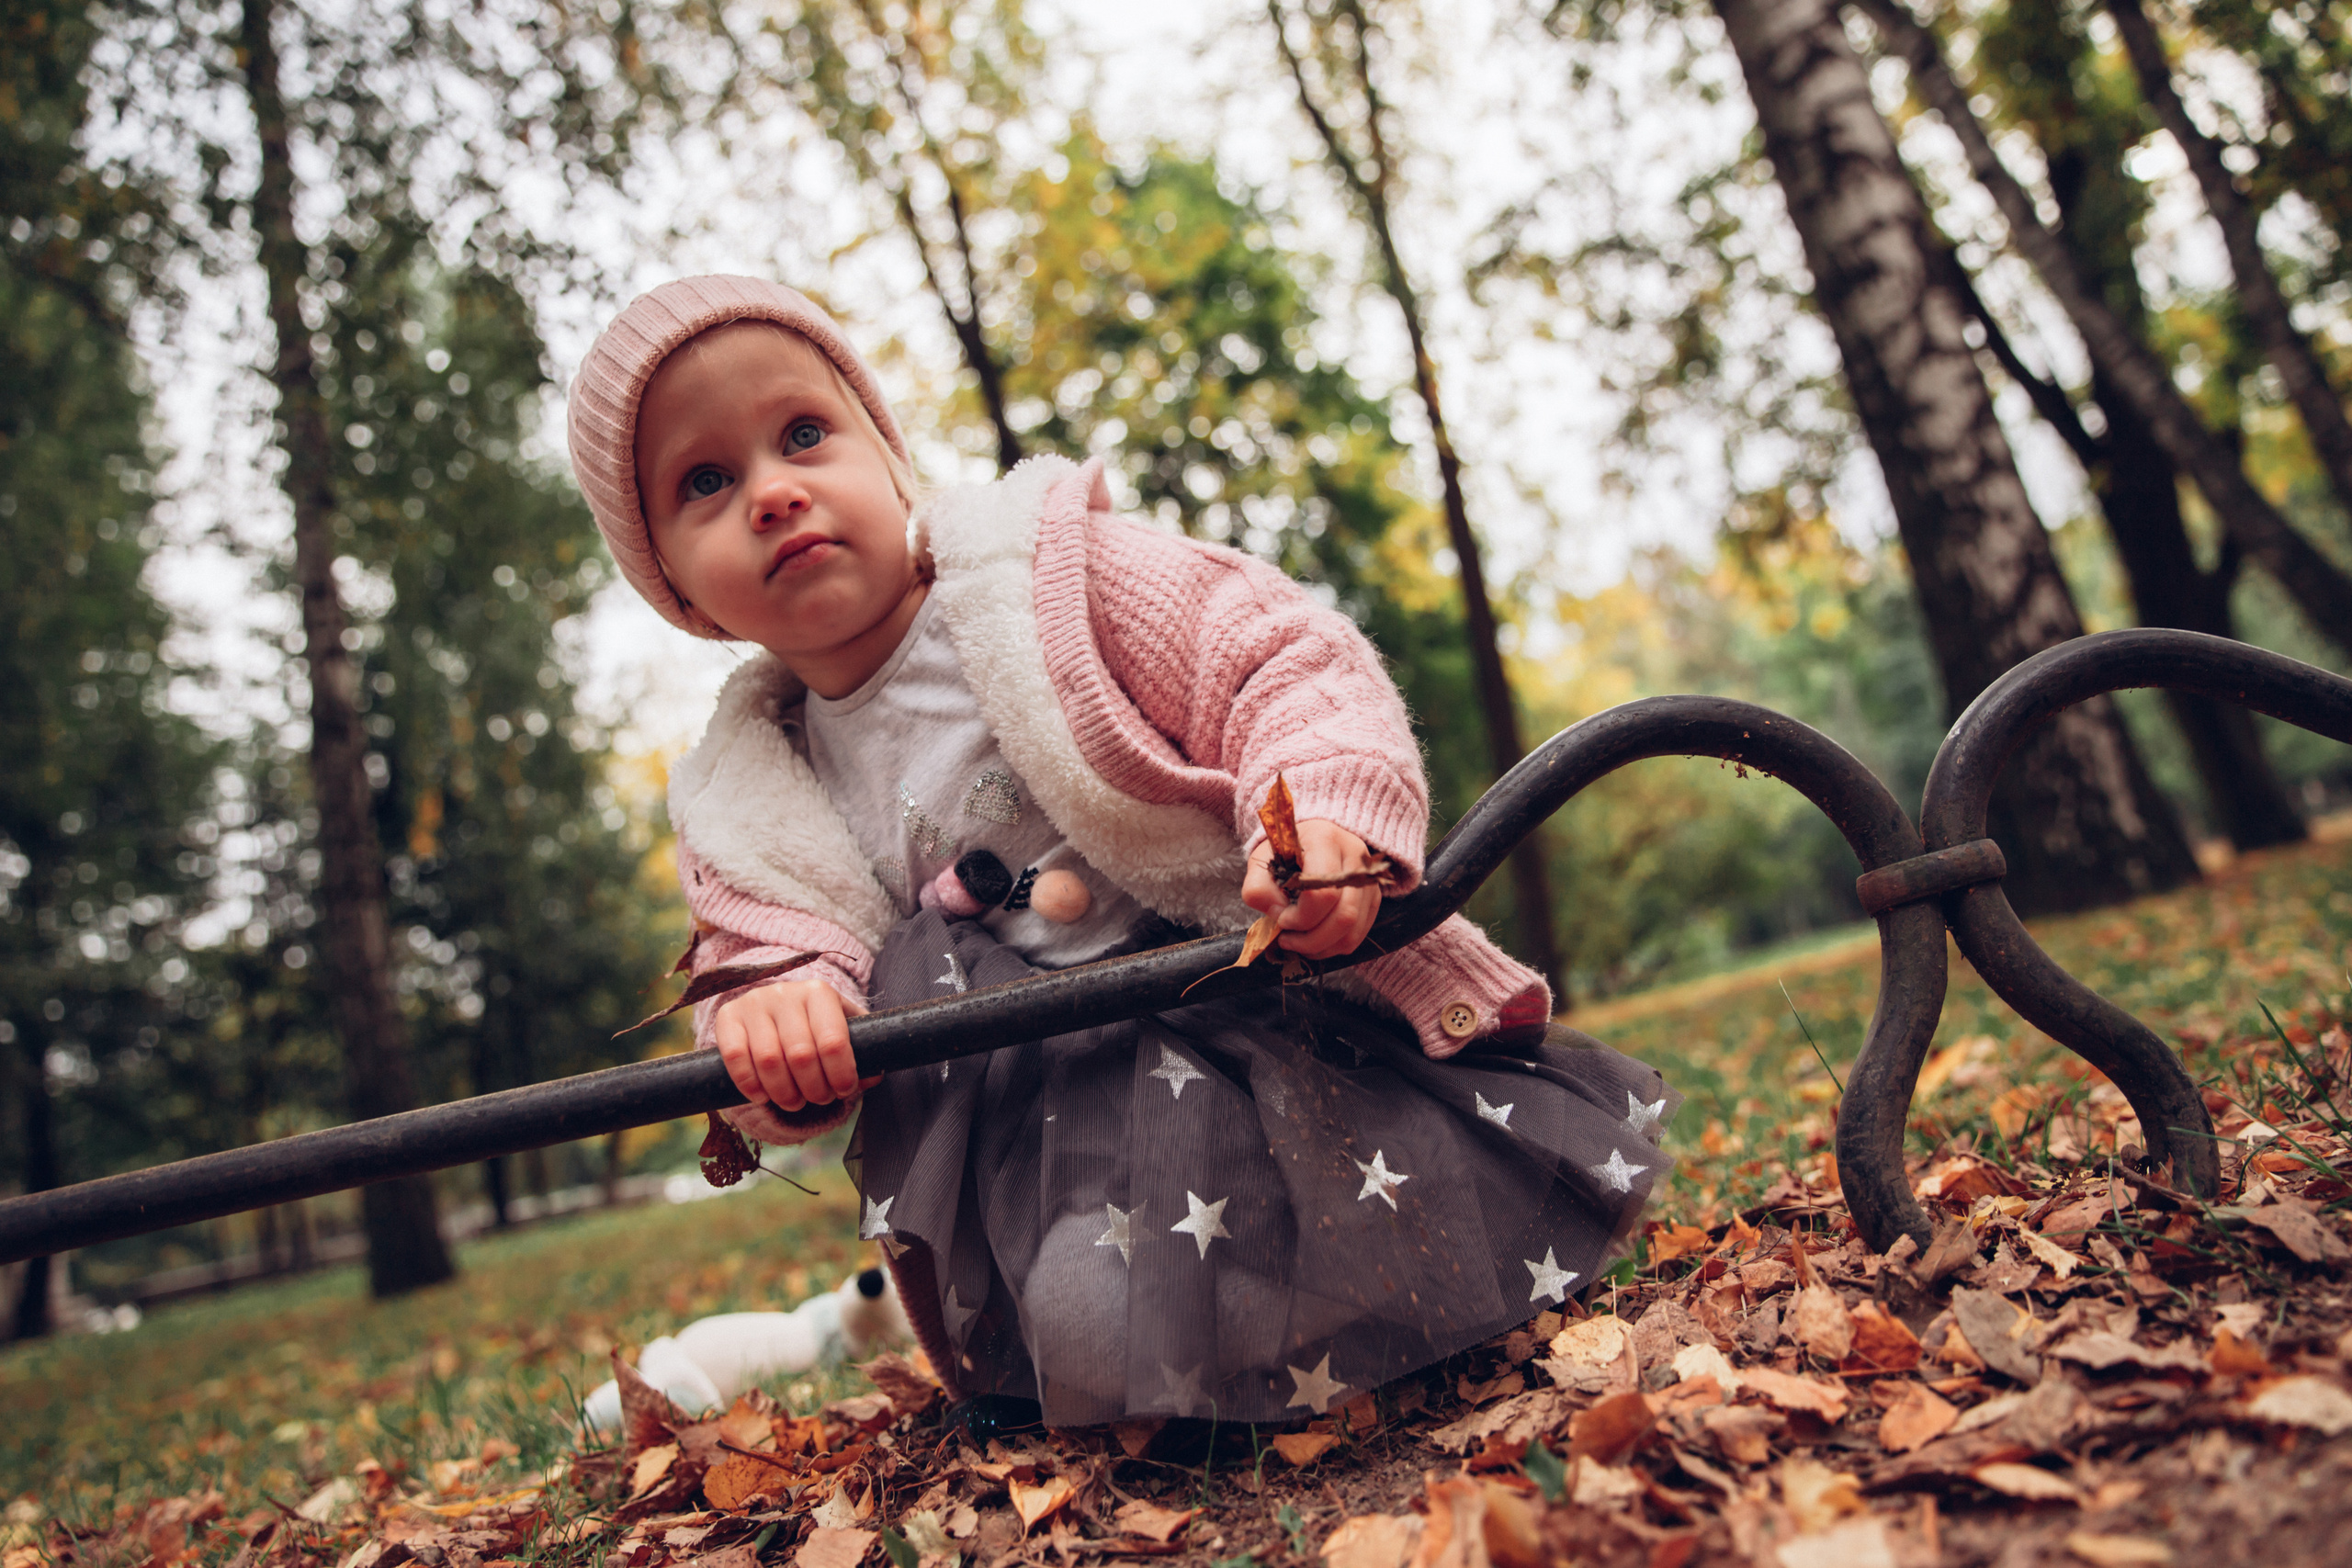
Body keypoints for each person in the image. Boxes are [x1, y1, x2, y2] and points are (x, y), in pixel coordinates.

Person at [567, 276, 1677, 1428]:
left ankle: (1353, 1293)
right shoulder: (747, 792)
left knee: (1377, 1218)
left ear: (885, 451)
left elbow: (1272, 660)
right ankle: (1165, 1330)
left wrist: (1318, 817)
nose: (774, 492)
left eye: (803, 433)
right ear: (675, 592)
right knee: (1092, 1321)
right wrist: (774, 1021)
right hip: (1044, 1133)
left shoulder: (1046, 581)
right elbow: (767, 954)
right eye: (707, 482)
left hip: (1247, 1016)